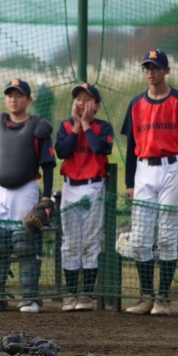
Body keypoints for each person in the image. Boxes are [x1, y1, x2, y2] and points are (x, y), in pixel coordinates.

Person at [122, 50, 178, 316]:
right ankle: (146, 297)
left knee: (167, 236)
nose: (150, 72)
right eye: (147, 67)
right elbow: (131, 145)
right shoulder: (136, 103)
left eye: (156, 67)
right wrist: (130, 182)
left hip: (172, 169)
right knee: (140, 238)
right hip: (143, 171)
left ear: (166, 70)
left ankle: (163, 299)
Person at [0, 79, 55, 314]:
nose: (13, 99)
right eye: (10, 94)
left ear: (29, 99)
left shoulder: (38, 127)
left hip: (26, 189)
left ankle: (30, 299)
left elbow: (48, 165)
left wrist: (46, 198)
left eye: (19, 95)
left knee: (25, 243)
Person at [55, 83, 114, 312]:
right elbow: (63, 151)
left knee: (90, 241)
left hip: (94, 187)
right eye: (78, 99)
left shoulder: (103, 127)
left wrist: (86, 124)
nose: (81, 103)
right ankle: (71, 294)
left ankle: (86, 295)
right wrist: (77, 126)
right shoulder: (66, 126)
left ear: (96, 105)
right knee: (70, 242)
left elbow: (99, 148)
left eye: (87, 99)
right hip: (70, 187)